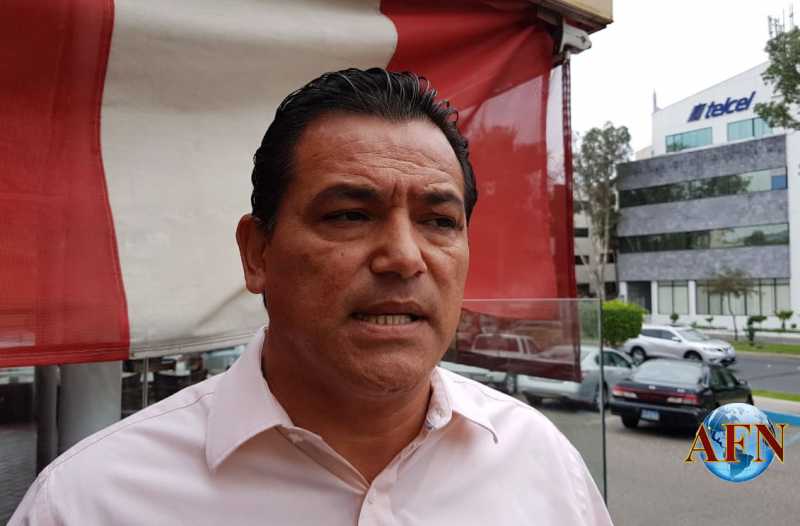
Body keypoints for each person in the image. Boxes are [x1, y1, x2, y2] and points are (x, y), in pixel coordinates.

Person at [11, 68, 613, 525]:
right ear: (257, 253)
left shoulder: (543, 467)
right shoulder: (91, 502)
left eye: (438, 221)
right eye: (349, 215)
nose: (404, 257)